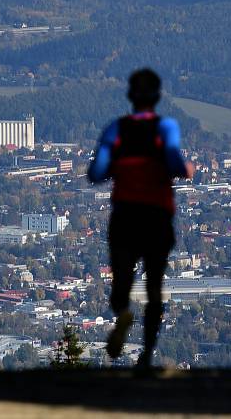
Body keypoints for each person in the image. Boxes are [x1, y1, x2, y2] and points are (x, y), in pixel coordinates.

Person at [88, 68, 194, 369]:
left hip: (125, 217)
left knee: (122, 281)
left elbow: (95, 173)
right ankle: (146, 354)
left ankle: (122, 312)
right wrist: (187, 168)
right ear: (158, 97)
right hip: (157, 218)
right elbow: (174, 162)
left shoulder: (116, 129)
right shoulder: (166, 128)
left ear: (131, 97)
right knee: (154, 287)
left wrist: (119, 167)